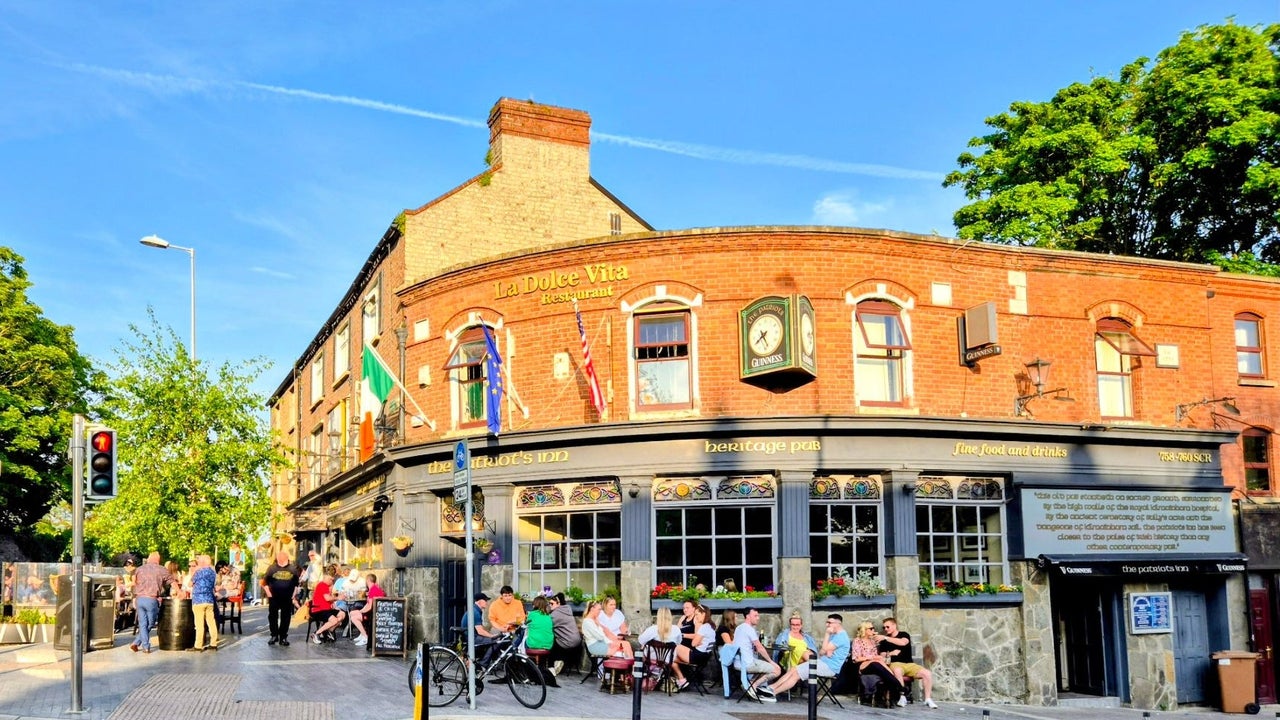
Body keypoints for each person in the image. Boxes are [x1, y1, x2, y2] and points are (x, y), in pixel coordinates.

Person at [878, 616, 939, 708]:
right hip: (895, 664)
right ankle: (902, 697)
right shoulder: (884, 642)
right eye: (884, 627)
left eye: (887, 627)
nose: (885, 629)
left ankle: (928, 699)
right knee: (897, 670)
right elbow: (882, 656)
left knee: (927, 673)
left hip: (909, 664)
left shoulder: (904, 634)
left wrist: (885, 638)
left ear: (894, 625)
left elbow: (903, 642)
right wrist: (891, 653)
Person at [852, 620, 905, 705]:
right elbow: (856, 659)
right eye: (871, 628)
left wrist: (880, 658)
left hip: (875, 664)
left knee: (880, 664)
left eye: (873, 628)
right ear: (864, 630)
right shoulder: (857, 641)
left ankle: (896, 689)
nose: (873, 630)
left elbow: (877, 656)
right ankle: (899, 687)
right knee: (876, 663)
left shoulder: (873, 641)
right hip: (863, 665)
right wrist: (871, 657)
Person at [759, 612, 812, 697]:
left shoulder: (806, 637)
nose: (795, 627)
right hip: (788, 656)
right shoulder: (785, 635)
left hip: (801, 661)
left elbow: (813, 649)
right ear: (790, 625)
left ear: (801, 625)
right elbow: (779, 647)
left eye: (797, 625)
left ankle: (772, 688)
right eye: (793, 625)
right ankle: (814, 673)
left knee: (806, 653)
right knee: (803, 653)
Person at [734, 606, 781, 702]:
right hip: (747, 663)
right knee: (777, 670)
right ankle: (753, 685)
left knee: (762, 665)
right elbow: (760, 647)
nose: (758, 618)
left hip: (737, 662)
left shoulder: (739, 628)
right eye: (755, 615)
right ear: (747, 616)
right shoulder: (749, 629)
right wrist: (771, 661)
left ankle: (751, 684)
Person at [130, 552, 172, 654]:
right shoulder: (161, 569)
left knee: (143, 624)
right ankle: (143, 645)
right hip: (151, 599)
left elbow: (134, 583)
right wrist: (179, 592)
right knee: (151, 623)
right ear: (158, 560)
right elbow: (172, 581)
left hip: (140, 599)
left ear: (149, 559)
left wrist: (134, 596)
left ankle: (141, 644)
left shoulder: (139, 569)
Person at [637, 606, 687, 689]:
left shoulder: (653, 629)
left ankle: (642, 676)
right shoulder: (676, 630)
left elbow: (641, 640)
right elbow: (679, 642)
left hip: (651, 657)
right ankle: (660, 675)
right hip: (667, 659)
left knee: (641, 649)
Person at [260, 550, 302, 646]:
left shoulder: (293, 569)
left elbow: (296, 584)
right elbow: (264, 582)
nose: (281, 562)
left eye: (283, 560)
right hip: (274, 596)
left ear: (287, 559)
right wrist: (268, 593)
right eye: (280, 560)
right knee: (273, 616)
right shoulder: (272, 568)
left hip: (287, 597)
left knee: (286, 617)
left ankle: (283, 637)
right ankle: (274, 635)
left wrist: (293, 595)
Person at [673, 604, 715, 690]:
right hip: (704, 656)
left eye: (697, 615)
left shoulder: (704, 627)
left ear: (703, 614)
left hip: (697, 656)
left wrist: (696, 640)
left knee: (673, 647)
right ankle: (680, 679)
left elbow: (693, 644)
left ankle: (679, 679)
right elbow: (697, 642)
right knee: (671, 658)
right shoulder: (711, 626)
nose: (696, 617)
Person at [809, 613, 850, 683]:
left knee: (796, 672)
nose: (827, 625)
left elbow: (824, 650)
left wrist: (827, 634)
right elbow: (821, 652)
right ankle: (784, 691)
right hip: (823, 662)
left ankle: (784, 691)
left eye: (829, 623)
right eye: (826, 622)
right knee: (794, 670)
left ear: (838, 624)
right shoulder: (834, 635)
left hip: (829, 667)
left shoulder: (841, 637)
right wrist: (827, 650)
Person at [547, 592, 581, 676]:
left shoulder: (555, 615)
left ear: (559, 603)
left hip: (567, 643)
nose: (550, 605)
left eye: (551, 603)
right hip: (578, 642)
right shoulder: (567, 609)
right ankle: (559, 660)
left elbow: (546, 626)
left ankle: (552, 667)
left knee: (549, 640)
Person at [189, 554, 219, 652]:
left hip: (198, 600)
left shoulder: (199, 572)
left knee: (199, 624)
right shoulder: (212, 572)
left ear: (201, 563)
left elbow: (190, 583)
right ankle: (213, 643)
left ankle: (198, 645)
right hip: (209, 600)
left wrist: (195, 571)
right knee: (211, 622)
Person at [311, 569, 347, 643]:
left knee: (342, 614)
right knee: (334, 620)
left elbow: (328, 599)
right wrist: (338, 598)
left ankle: (329, 630)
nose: (331, 581)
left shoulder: (326, 586)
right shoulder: (322, 585)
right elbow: (327, 598)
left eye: (332, 579)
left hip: (326, 609)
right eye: (330, 579)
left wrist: (333, 602)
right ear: (325, 577)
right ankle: (316, 633)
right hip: (319, 610)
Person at [348, 573, 384, 647]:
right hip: (373, 611)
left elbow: (370, 606)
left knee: (354, 618)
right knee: (352, 613)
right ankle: (362, 634)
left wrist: (360, 612)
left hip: (374, 613)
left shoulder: (373, 590)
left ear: (368, 580)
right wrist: (360, 611)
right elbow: (367, 604)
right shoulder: (374, 588)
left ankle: (365, 637)